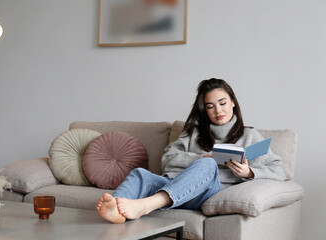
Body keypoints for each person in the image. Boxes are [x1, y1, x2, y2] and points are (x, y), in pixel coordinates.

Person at [96, 78, 286, 224]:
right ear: (204, 110)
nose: (218, 110)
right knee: (140, 175)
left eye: (222, 103)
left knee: (208, 164)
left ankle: (146, 206)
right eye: (210, 106)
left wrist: (249, 172)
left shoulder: (250, 136)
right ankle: (115, 209)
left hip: (208, 193)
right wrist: (204, 156)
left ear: (233, 102)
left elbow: (278, 170)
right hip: (176, 185)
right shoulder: (193, 133)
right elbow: (167, 160)